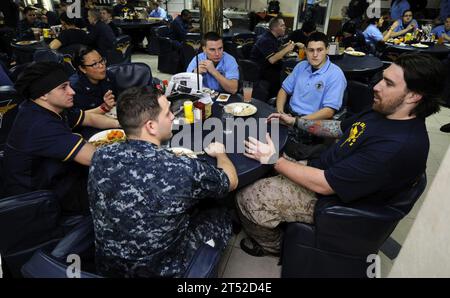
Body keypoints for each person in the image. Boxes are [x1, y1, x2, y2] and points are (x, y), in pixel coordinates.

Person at [235, 53, 445, 256]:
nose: (376, 87)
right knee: (256, 160)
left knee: (247, 198)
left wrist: (275, 161)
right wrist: (296, 122)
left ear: (414, 96)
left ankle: (276, 246)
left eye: (389, 84)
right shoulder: (383, 110)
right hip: (323, 167)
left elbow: (325, 185)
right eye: (382, 79)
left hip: (333, 201)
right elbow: (338, 128)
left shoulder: (397, 147)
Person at [88, 85, 238, 277]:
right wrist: (221, 154)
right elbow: (231, 181)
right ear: (151, 126)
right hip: (160, 270)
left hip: (108, 265)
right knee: (220, 212)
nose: (173, 117)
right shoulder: (181, 168)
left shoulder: (100, 155)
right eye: (168, 113)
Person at [3, 62, 120, 213]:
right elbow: (96, 158)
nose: (72, 92)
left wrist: (121, 125)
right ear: (44, 94)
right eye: (63, 87)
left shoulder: (46, 107)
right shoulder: (40, 125)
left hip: (57, 177)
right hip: (40, 200)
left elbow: (89, 118)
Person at [276, 32, 346, 119]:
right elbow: (284, 90)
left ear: (327, 50)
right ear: (305, 50)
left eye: (320, 50)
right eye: (311, 50)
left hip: (311, 122)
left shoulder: (336, 74)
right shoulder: (301, 66)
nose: (315, 55)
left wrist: (296, 121)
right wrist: (280, 112)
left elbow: (329, 111)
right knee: (262, 128)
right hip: (289, 114)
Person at [250, 16, 303, 97]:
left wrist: (285, 47)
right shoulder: (265, 39)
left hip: (269, 67)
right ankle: (276, 99)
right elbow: (272, 59)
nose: (285, 27)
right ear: (274, 28)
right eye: (282, 26)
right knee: (286, 74)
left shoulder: (273, 38)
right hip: (260, 70)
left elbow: (275, 51)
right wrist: (287, 49)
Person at [69, 46, 117, 113]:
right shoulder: (74, 87)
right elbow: (76, 117)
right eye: (94, 64)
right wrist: (104, 107)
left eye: (101, 60)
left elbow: (116, 101)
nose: (101, 66)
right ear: (82, 69)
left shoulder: (109, 76)